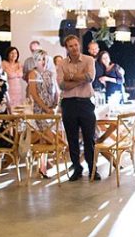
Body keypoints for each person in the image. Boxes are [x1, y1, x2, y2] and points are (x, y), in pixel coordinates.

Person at [57, 35, 97, 181]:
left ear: (79, 45)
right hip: (68, 104)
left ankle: (92, 169)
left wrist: (71, 77)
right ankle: (77, 168)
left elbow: (90, 77)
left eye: (75, 45)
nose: (74, 48)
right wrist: (80, 79)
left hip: (85, 103)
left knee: (89, 138)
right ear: (66, 48)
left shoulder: (89, 60)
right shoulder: (61, 63)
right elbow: (62, 85)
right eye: (71, 46)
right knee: (72, 138)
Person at [27, 49, 61, 177]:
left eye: (45, 59)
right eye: (41, 59)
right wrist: (45, 108)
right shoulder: (33, 74)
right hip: (40, 111)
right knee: (50, 139)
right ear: (36, 60)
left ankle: (42, 167)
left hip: (52, 110)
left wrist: (55, 105)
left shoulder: (51, 73)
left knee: (44, 139)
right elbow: (34, 94)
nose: (44, 62)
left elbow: (57, 91)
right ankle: (43, 163)